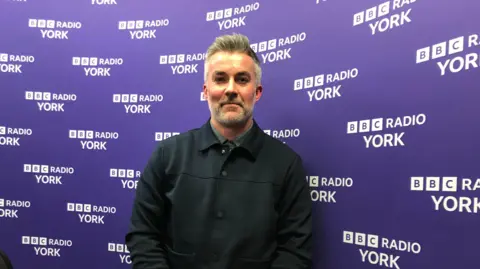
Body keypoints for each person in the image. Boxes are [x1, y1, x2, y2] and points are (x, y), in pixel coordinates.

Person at [125, 33, 313, 269]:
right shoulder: (167, 155)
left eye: (242, 80)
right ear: (206, 90)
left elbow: (295, 251)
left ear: (257, 92)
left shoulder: (286, 165)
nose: (231, 89)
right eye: (220, 79)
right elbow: (143, 236)